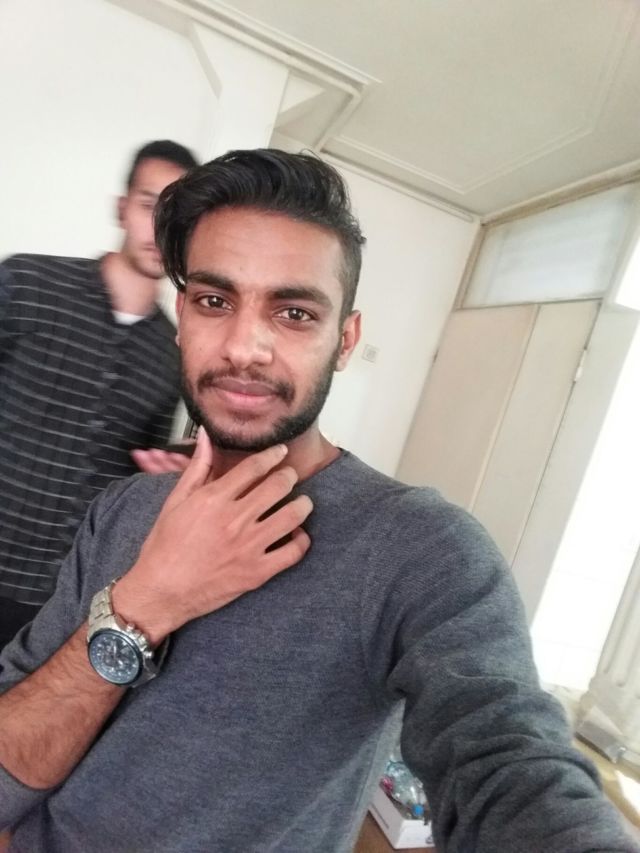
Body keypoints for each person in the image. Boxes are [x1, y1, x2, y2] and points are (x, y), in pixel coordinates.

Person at [0, 150, 637, 853]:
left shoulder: (421, 549)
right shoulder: (121, 510)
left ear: (345, 341)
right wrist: (147, 601)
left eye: (295, 312)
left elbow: (508, 760)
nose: (246, 347)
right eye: (215, 301)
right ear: (182, 316)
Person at [0, 140, 198, 649]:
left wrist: (169, 478)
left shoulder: (173, 354)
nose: (162, 230)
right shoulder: (28, 283)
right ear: (122, 208)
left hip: (59, 606)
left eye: (179, 218)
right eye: (151, 206)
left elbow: (135, 482)